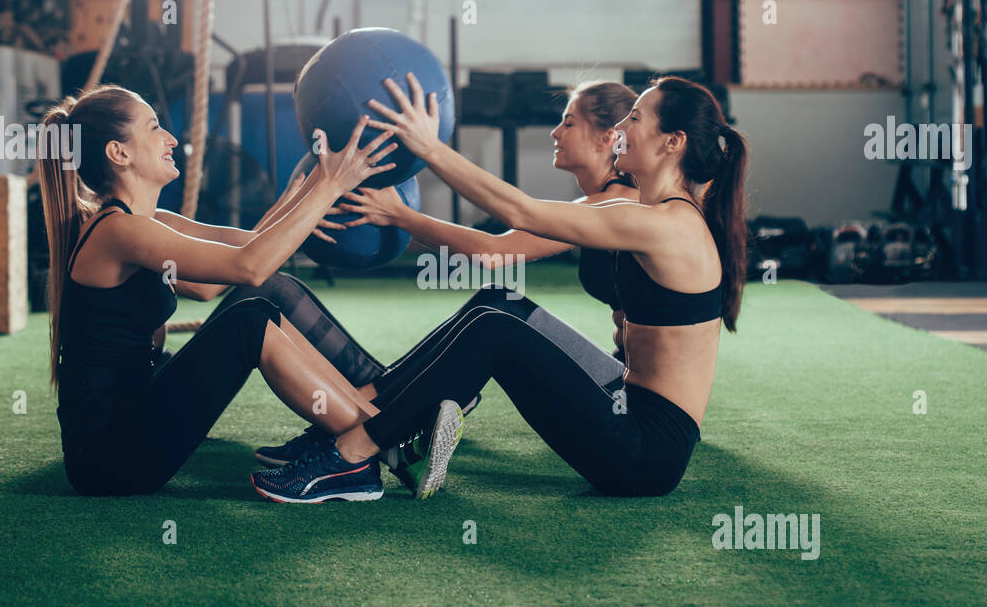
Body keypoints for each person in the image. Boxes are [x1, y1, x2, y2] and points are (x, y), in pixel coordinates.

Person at [251, 74, 747, 500]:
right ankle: (360, 422)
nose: (621, 128)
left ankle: (353, 455)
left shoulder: (667, 225)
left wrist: (429, 148)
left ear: (672, 142)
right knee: (497, 305)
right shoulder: (646, 213)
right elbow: (510, 236)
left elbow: (520, 214)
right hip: (627, 403)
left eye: (635, 118)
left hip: (646, 452)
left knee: (494, 329)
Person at [215, 81, 641, 467]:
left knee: (496, 314)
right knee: (496, 300)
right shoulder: (601, 204)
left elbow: (494, 251)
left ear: (608, 137)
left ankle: (365, 427)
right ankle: (370, 412)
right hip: (611, 373)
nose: (555, 133)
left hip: (619, 393)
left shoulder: (622, 205)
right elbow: (492, 248)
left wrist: (403, 211)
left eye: (568, 122)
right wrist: (394, 224)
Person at [37, 83, 403, 500]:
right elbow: (249, 265)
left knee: (261, 297)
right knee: (249, 320)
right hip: (108, 459)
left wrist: (308, 194)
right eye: (154, 127)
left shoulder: (148, 222)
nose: (171, 138)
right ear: (119, 153)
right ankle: (387, 441)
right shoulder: (119, 231)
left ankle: (383, 416)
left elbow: (224, 271)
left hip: (139, 412)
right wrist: (329, 189)